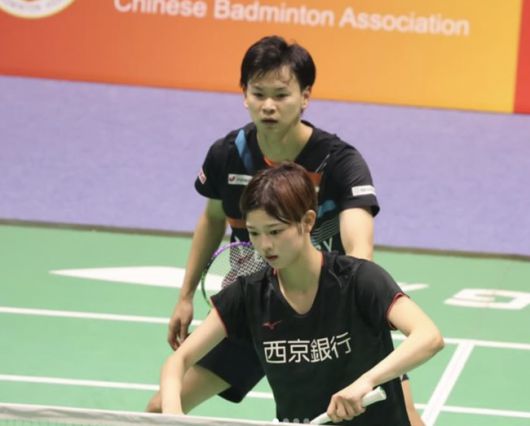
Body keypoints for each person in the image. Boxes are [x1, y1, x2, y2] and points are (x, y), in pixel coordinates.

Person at [147, 35, 425, 424]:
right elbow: (212, 219)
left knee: (406, 417)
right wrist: (185, 295)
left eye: (281, 95)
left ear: (305, 96)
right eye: (258, 93)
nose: (268, 105)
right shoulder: (228, 155)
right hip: (259, 307)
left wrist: (353, 304)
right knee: (161, 409)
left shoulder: (338, 162)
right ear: (244, 94)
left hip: (330, 319)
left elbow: (359, 250)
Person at [159, 163, 444, 425]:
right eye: (254, 233)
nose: (264, 245)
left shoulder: (358, 280)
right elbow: (178, 361)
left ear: (307, 221)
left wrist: (366, 381)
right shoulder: (249, 294)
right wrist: (174, 417)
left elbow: (428, 336)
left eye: (275, 231)